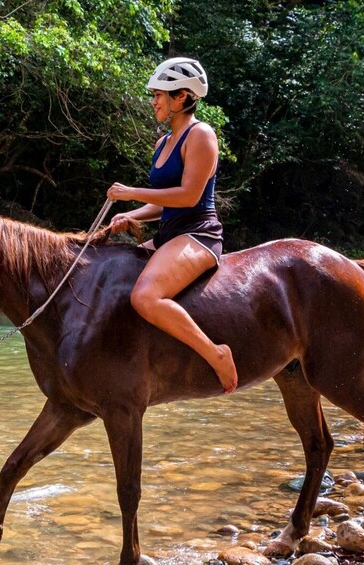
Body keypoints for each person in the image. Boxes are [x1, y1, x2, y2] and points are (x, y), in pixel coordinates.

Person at [106, 57, 238, 393]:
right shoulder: (162, 143)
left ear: (181, 97)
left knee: (145, 296)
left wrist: (129, 193)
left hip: (199, 235)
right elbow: (164, 202)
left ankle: (216, 353)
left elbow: (190, 196)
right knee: (112, 277)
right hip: (169, 234)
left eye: (159, 95)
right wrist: (131, 214)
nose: (154, 101)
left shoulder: (201, 135)